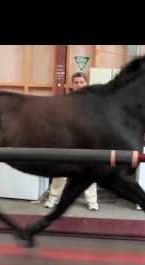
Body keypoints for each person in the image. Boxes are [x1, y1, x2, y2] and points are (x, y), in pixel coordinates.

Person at [44, 72, 99, 211]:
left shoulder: (93, 101)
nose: (79, 84)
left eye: (81, 82)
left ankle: (92, 201)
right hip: (68, 140)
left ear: (86, 83)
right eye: (76, 82)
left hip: (86, 141)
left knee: (89, 171)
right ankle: (53, 198)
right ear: (72, 85)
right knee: (61, 170)